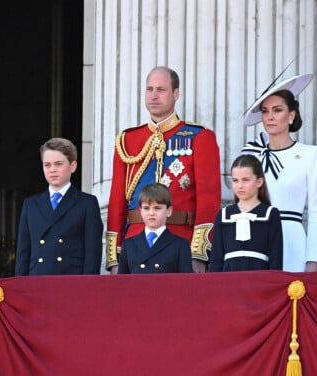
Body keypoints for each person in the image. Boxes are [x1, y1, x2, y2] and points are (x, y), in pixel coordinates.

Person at [106, 66, 221, 274]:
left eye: (161, 89)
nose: (153, 96)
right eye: (149, 89)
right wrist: (115, 257)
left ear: (176, 94)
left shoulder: (199, 137)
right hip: (135, 245)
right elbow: (116, 202)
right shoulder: (127, 140)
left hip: (180, 245)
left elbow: (208, 200)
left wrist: (199, 253)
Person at [242, 73, 317, 272]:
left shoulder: (310, 154)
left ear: (291, 115)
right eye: (265, 111)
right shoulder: (252, 153)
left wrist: (313, 259)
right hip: (255, 237)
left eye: (277, 110)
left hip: (292, 240)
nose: (270, 117)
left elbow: (315, 211)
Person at [15, 138, 103, 275]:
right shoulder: (30, 204)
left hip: (71, 281)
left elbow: (93, 252)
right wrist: (19, 287)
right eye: (47, 165)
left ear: (73, 166)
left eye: (58, 164)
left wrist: (88, 287)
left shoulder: (87, 203)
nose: (52, 170)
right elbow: (23, 252)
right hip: (36, 280)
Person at [209, 155, 283, 272]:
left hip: (260, 281)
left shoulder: (270, 214)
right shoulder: (223, 215)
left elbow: (276, 259)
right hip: (229, 281)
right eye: (235, 180)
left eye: (245, 180)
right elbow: (216, 260)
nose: (239, 186)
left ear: (259, 182)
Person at [118, 183, 192, 274]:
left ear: (169, 211)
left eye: (157, 208)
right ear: (140, 211)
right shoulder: (128, 245)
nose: (151, 213)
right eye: (146, 208)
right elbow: (122, 283)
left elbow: (185, 284)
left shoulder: (180, 245)